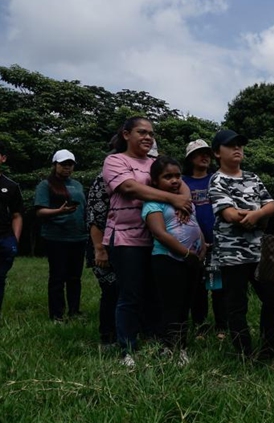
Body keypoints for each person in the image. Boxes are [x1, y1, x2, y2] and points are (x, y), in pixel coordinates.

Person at [103, 117, 193, 367]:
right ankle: (127, 349)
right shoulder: (115, 161)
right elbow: (130, 188)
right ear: (125, 134)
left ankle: (158, 341)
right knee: (130, 293)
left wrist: (182, 201)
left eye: (151, 134)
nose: (148, 137)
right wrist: (172, 199)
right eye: (141, 132)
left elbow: (183, 189)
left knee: (157, 294)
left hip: (158, 240)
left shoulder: (155, 163)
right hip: (125, 238)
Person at [208, 129, 274, 361]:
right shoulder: (217, 180)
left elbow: (273, 206)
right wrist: (256, 216)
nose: (237, 149)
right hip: (232, 253)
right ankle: (244, 352)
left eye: (240, 145)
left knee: (273, 296)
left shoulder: (252, 177)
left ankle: (269, 345)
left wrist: (255, 215)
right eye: (231, 146)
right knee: (236, 304)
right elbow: (229, 214)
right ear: (217, 153)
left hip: (258, 251)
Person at [143, 156, 206, 366]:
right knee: (171, 304)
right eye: (167, 176)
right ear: (154, 182)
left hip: (192, 261)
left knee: (185, 305)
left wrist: (202, 247)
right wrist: (187, 254)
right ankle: (168, 347)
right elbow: (160, 234)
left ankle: (182, 346)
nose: (174, 180)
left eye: (177, 176)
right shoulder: (152, 203)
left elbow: (195, 224)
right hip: (168, 260)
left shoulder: (184, 201)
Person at [34, 149, 88, 322]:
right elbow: (39, 211)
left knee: (75, 277)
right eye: (63, 164)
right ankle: (56, 314)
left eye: (70, 164)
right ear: (54, 165)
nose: (67, 168)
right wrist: (59, 211)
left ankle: (74, 311)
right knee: (58, 276)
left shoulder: (78, 184)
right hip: (56, 237)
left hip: (78, 235)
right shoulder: (46, 185)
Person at [183, 139, 226, 339]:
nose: (205, 157)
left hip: (217, 240)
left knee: (217, 284)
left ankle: (221, 325)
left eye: (207, 153)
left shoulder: (216, 179)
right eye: (199, 153)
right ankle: (199, 323)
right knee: (196, 286)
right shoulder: (182, 181)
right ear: (190, 158)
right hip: (192, 242)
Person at [85, 169, 117, 347]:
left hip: (130, 244)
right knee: (111, 290)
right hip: (104, 245)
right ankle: (108, 337)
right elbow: (95, 216)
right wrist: (99, 249)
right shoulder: (105, 177)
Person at [0, 141, 24, 321]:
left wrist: (14, 240)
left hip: (4, 238)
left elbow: (17, 215)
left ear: (3, 158)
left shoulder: (11, 186)